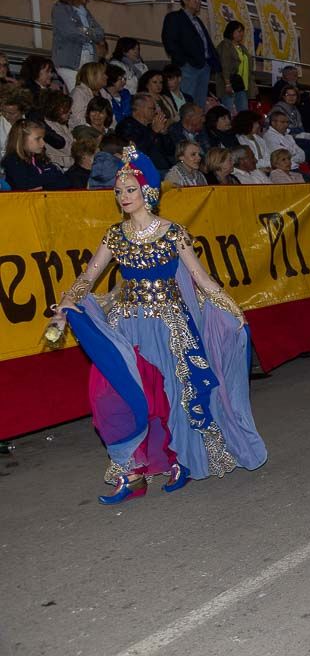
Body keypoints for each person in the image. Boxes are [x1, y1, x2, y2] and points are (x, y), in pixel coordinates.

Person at [51, 146, 266, 503]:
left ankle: (179, 459)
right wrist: (68, 302)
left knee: (173, 395)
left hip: (167, 327)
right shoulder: (114, 235)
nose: (123, 197)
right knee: (114, 391)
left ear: (148, 190)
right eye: (119, 191)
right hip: (126, 325)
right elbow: (88, 275)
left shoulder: (172, 233)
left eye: (131, 189)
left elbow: (200, 277)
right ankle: (131, 472)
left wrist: (232, 308)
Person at [161, 0, 220, 106]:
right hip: (188, 67)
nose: (199, 1)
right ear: (185, 0)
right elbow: (169, 41)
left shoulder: (197, 20)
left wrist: (213, 62)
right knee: (187, 102)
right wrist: (184, 62)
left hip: (204, 65)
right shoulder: (174, 17)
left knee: (199, 104)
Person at [50, 0, 105, 89]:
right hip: (69, 62)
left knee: (87, 94)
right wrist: (90, 34)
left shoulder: (86, 12)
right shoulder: (60, 9)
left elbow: (100, 33)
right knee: (77, 92)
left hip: (88, 61)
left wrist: (84, 30)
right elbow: (70, 33)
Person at [2, 119, 69, 190]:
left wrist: (44, 186)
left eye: (43, 138)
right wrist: (50, 177)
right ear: (22, 139)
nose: (43, 143)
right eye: (38, 139)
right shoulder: (13, 161)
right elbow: (24, 185)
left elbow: (65, 182)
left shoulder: (40, 158)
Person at [116, 93, 170, 170]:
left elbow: (170, 151)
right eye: (152, 108)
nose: (155, 112)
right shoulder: (125, 126)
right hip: (143, 172)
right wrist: (154, 132)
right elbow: (135, 152)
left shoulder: (152, 126)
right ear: (139, 109)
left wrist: (164, 134)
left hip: (164, 168)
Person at [217, 21, 253, 113]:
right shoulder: (225, 45)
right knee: (227, 112)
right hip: (230, 84)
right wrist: (227, 83)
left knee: (243, 114)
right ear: (231, 31)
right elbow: (224, 65)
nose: (241, 34)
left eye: (242, 31)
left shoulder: (242, 48)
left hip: (241, 85)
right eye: (239, 31)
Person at [68, 62, 106, 128]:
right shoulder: (78, 93)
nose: (106, 77)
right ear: (93, 76)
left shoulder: (103, 92)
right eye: (103, 74)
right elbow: (76, 121)